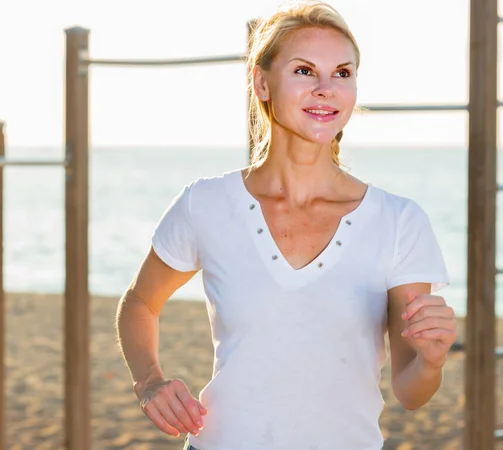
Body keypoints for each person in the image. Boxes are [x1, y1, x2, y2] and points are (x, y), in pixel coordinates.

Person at [116, 2, 457, 449]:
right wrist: (150, 382)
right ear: (261, 82)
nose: (325, 89)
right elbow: (140, 302)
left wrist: (431, 362)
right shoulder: (206, 203)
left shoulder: (399, 221)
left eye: (342, 73)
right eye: (303, 71)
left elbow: (411, 392)